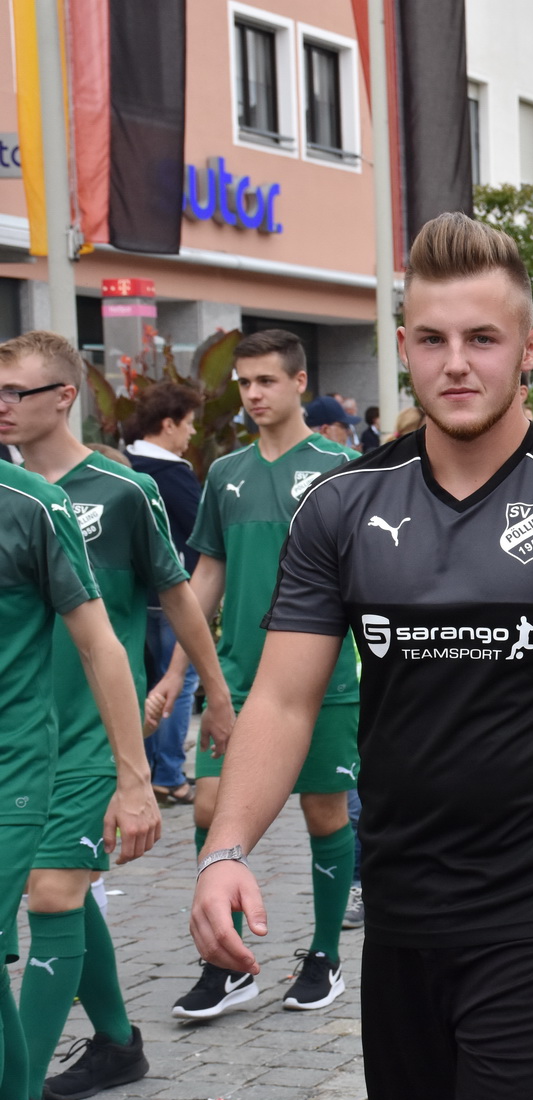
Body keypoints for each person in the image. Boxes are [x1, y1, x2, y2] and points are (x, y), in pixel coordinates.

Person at [189, 212, 533, 1100]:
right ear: (403, 349)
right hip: (403, 895)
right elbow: (283, 698)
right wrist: (225, 848)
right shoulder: (343, 504)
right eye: (432, 340)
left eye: (483, 338)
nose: (457, 363)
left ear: (531, 348)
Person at [0, 331, 229, 1100]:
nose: (2, 406)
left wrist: (207, 691)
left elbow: (178, 593)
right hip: (30, 724)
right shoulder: (14, 496)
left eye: (16, 391)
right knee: (63, 889)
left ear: (63, 397)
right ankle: (117, 1040)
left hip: (96, 731)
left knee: (53, 892)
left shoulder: (123, 491)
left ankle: (21, 1093)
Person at [163, 329, 363, 1020]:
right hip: (239, 678)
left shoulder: (342, 466)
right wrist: (176, 673)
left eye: (266, 381)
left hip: (325, 679)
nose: (252, 394)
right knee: (211, 810)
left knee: (324, 812)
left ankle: (324, 956)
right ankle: (226, 963)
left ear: (299, 382)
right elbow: (206, 577)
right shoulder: (225, 473)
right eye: (244, 382)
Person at [0, 452, 162, 1100]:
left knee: (54, 891)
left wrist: (135, 777)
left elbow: (105, 642)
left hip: (23, 764)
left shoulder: (35, 504)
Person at [124, 383, 205, 806]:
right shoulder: (171, 473)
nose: (191, 433)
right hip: (176, 594)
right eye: (188, 424)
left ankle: (151, 766)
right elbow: (203, 532)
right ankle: (170, 774)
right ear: (168, 424)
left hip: (136, 597)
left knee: (147, 682)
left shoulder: (123, 465)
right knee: (180, 681)